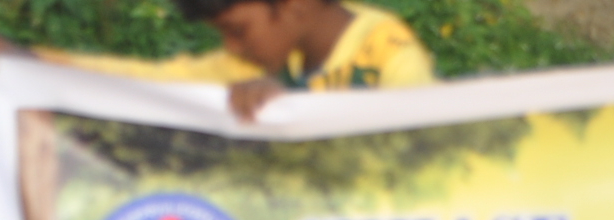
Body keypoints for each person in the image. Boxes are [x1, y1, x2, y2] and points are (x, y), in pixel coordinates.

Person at [44, 0, 433, 122]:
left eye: (238, 30)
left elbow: (429, 155)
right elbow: (153, 80)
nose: (231, 48)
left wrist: (293, 110)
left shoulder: (390, 54)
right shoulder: (251, 67)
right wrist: (20, 62)